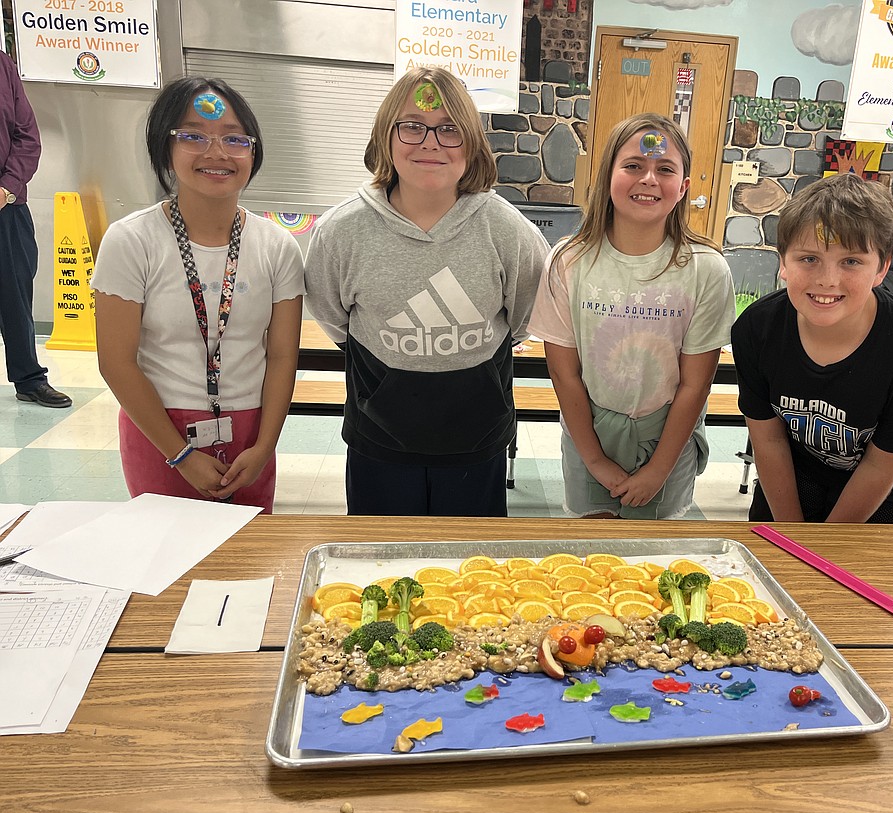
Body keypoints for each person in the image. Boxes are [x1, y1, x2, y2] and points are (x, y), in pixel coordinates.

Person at [305, 67, 548, 516]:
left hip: (477, 441)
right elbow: (334, 319)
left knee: (473, 575)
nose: (430, 142)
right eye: (412, 126)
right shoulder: (340, 232)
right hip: (378, 441)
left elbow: (524, 320)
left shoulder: (509, 232)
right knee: (379, 566)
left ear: (472, 142)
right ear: (386, 136)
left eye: (449, 129)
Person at [92, 77, 304, 513]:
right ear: (164, 148)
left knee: (247, 566)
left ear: (253, 151)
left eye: (234, 138)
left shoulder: (277, 246)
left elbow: (282, 356)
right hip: (160, 429)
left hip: (251, 431)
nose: (217, 152)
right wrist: (181, 455)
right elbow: (116, 361)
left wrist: (265, 446)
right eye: (193, 135)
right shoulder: (131, 240)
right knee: (168, 563)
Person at [528, 113, 734, 519]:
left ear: (684, 188)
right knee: (588, 553)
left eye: (665, 169)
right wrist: (596, 459)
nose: (649, 179)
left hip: (669, 435)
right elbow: (564, 373)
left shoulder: (706, 269)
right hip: (590, 429)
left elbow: (696, 382)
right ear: (608, 176)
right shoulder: (568, 261)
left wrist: (659, 469)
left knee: (658, 557)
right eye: (634, 166)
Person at [730, 174, 893, 524]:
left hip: (887, 488)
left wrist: (825, 547)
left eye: (851, 261)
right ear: (783, 262)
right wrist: (793, 533)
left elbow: (880, 465)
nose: (828, 280)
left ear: (882, 267)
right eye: (809, 259)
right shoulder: (756, 329)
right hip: (797, 471)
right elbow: (768, 440)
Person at [0, 51, 71, 408]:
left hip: (6, 206)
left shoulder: (2, 65)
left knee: (16, 296)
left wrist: (7, 186)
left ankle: (29, 379)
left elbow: (26, 135)